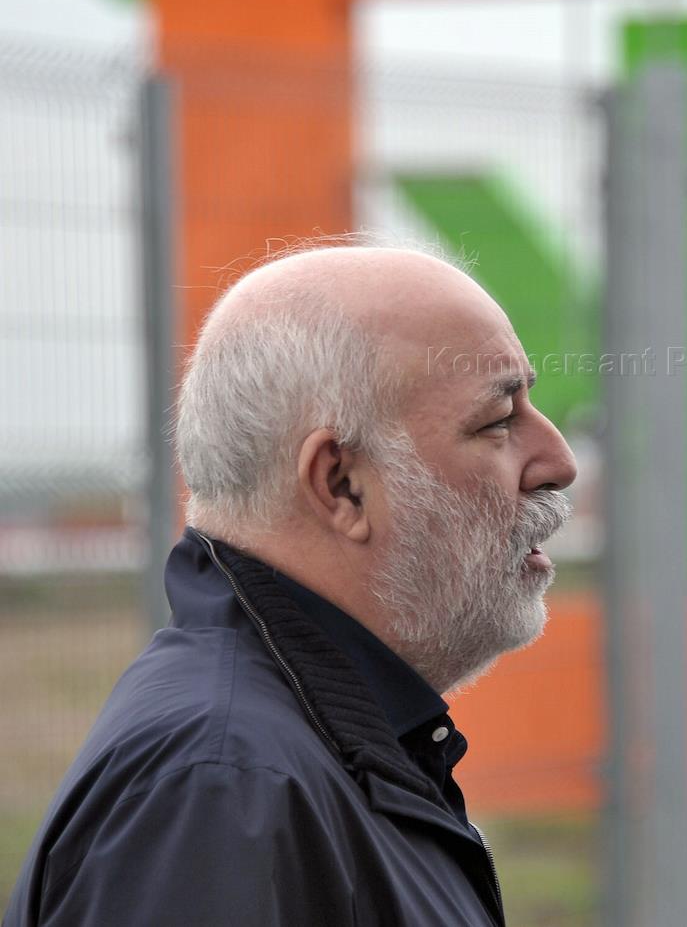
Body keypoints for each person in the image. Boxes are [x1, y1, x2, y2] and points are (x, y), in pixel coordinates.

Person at [4, 244, 577, 927]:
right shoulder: (222, 790)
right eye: (498, 420)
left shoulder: (282, 762)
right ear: (341, 484)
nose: (558, 460)